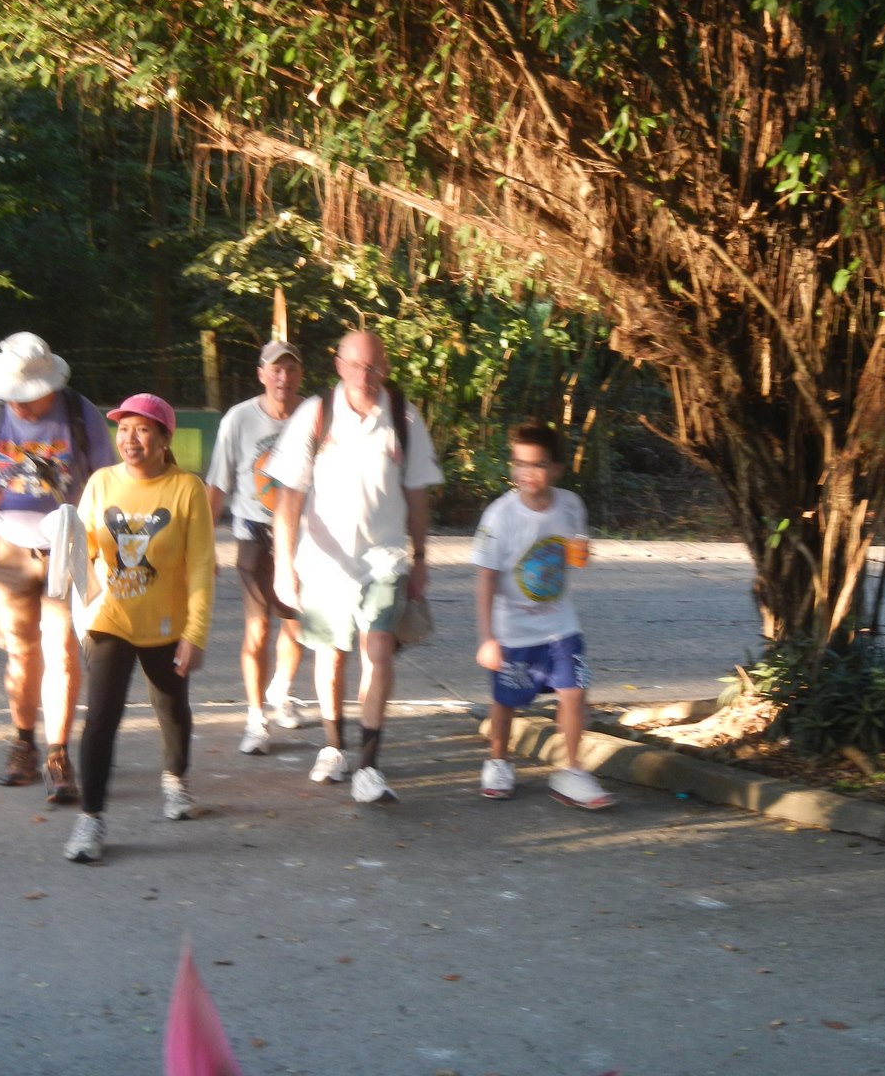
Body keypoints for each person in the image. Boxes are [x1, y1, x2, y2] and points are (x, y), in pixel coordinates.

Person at [267, 330, 442, 805]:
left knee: (378, 648)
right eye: (356, 366)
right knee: (331, 656)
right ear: (339, 365)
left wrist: (421, 558)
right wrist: (284, 565)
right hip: (323, 561)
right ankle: (332, 747)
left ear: (385, 367)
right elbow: (289, 498)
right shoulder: (315, 414)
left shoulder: (403, 416)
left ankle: (368, 765)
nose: (365, 376)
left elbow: (417, 494)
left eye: (374, 367)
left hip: (384, 557)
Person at [0, 332, 115, 803]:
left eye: (28, 396)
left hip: (69, 547)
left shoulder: (80, 415)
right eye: (12, 395)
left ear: (50, 387)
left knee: (61, 651)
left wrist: (106, 549)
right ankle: (23, 743)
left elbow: (107, 484)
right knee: (21, 654)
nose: (18, 404)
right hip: (9, 549)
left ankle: (58, 755)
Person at [64, 393, 216, 864]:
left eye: (143, 429)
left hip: (166, 622)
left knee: (171, 707)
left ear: (165, 439)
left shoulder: (187, 489)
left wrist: (195, 633)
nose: (130, 439)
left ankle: (175, 780)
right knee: (100, 717)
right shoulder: (101, 482)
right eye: (124, 428)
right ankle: (91, 818)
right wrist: (61, 550)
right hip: (109, 618)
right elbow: (84, 548)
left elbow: (201, 567)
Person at [471, 422, 614, 809]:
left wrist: (581, 554)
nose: (527, 473)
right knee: (506, 701)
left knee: (575, 691)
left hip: (560, 624)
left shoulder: (570, 505)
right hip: (513, 628)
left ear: (556, 469)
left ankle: (571, 771)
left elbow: (575, 554)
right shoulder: (500, 516)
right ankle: (498, 762)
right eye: (519, 463)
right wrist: (487, 638)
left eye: (537, 465)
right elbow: (485, 579)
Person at [205, 341, 309, 755]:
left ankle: (280, 690)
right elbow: (218, 483)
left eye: (291, 370)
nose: (283, 378)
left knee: (296, 626)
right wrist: (205, 546)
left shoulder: (314, 415)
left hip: (303, 536)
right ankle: (255, 718)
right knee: (258, 627)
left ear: (300, 375)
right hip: (253, 532)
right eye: (276, 370)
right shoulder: (239, 419)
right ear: (261, 374)